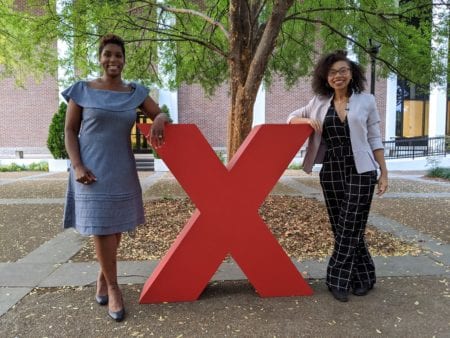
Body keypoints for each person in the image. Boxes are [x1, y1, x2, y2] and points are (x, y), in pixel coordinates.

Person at [62, 33, 169, 321]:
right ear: (100, 58)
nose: (113, 60)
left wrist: (158, 118)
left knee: (116, 225)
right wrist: (77, 166)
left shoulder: (134, 92)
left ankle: (101, 275)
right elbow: (70, 130)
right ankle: (113, 287)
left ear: (124, 60)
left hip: (121, 167)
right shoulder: (82, 90)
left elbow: (160, 114)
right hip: (90, 170)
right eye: (108, 54)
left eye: (118, 55)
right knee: (102, 227)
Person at [287, 50, 388, 302]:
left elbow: (374, 137)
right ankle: (364, 276)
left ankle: (337, 279)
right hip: (331, 169)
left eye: (343, 70)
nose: (338, 76)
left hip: (361, 169)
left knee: (350, 224)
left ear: (351, 73)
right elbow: (290, 118)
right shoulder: (319, 102)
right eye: (332, 72)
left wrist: (383, 172)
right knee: (343, 227)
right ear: (326, 77)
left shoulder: (366, 100)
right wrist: (309, 123)